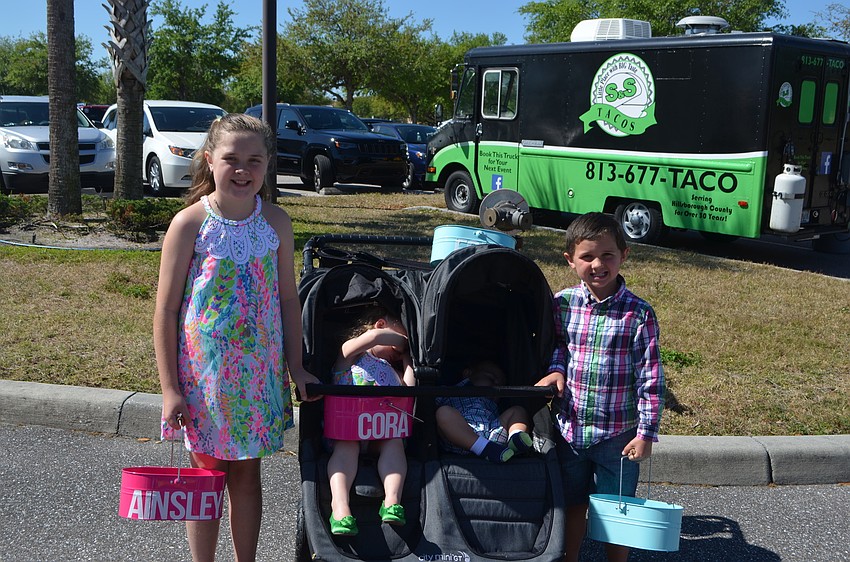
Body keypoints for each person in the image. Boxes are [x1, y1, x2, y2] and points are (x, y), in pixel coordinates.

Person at [154, 113, 320, 562]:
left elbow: (288, 300)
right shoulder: (190, 223)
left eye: (255, 160)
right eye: (231, 159)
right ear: (210, 160)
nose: (243, 170)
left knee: (247, 479)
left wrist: (297, 366)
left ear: (269, 165)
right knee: (206, 479)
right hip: (203, 382)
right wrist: (171, 389)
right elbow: (167, 310)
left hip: (257, 378)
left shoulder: (278, 222)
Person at [535, 212, 665, 562]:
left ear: (624, 255)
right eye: (587, 256)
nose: (598, 264)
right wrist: (556, 371)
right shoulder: (562, 304)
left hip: (618, 438)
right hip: (571, 430)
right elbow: (558, 346)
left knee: (616, 510)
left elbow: (651, 378)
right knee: (572, 505)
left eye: (607, 255)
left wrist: (646, 434)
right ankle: (569, 557)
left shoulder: (639, 314)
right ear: (570, 260)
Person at [327, 307, 416, 536]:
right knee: (346, 449)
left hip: (381, 432)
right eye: (396, 345)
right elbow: (373, 338)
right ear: (379, 325)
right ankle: (340, 507)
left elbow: (409, 390)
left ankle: (392, 501)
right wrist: (402, 341)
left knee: (394, 444)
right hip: (348, 431)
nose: (398, 352)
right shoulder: (351, 357)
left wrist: (407, 359)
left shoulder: (392, 370)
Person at [435, 359, 534, 462]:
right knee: (443, 413)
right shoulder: (450, 391)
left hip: (493, 432)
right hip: (462, 437)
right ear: (468, 374)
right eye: (491, 378)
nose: (496, 384)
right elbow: (431, 404)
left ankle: (515, 440)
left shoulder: (493, 403)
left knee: (517, 411)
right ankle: (483, 447)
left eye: (501, 385)